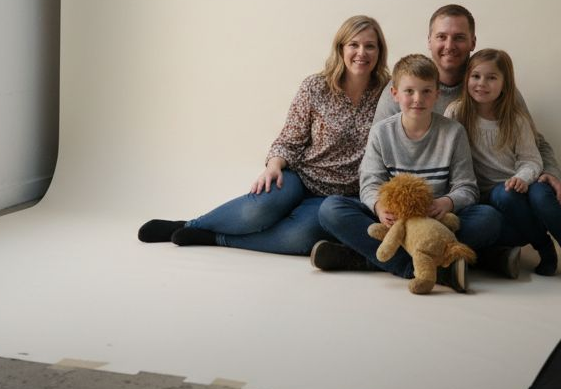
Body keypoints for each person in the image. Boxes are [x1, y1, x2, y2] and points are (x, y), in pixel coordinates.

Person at [137, 15, 391, 255]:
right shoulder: (316, 87)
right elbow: (288, 140)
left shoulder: (389, 94)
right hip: (301, 178)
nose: (361, 53)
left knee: (301, 238)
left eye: (370, 46)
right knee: (257, 211)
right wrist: (273, 166)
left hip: (341, 197)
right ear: (341, 49)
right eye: (354, 45)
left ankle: (214, 237)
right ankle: (191, 224)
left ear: (379, 52)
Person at [374, 4, 561, 277]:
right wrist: (384, 205)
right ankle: (475, 260)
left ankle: (410, 258)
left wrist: (550, 172)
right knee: (337, 210)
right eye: (441, 36)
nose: (449, 45)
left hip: (469, 201)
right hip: (412, 206)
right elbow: (377, 148)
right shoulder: (403, 86)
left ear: (472, 42)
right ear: (429, 40)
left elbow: (534, 141)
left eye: (459, 37)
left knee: (496, 220)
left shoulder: (492, 84)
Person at [312, 54, 495, 292]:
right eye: (409, 91)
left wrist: (447, 202)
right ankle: (433, 270)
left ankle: (360, 259)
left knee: (489, 218)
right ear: (395, 94)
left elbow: (467, 186)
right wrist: (379, 207)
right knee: (331, 209)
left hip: (436, 223)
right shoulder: (381, 132)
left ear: (437, 94)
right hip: (394, 223)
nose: (418, 99)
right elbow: (369, 182)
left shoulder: (453, 132)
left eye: (426, 91)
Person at [448, 49, 561, 282]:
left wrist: (523, 178)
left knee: (543, 197)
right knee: (506, 196)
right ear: (467, 79)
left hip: (524, 181)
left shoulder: (515, 119)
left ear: (505, 84)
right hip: (493, 194)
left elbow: (531, 159)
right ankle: (544, 249)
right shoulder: (457, 112)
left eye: (491, 78)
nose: (482, 83)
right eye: (475, 76)